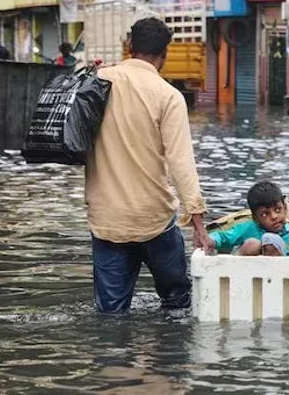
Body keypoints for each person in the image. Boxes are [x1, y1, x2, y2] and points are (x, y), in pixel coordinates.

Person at [86, 17, 209, 314]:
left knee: (110, 317)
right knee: (178, 306)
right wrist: (198, 224)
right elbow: (181, 164)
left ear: (129, 47)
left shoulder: (96, 83)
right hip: (153, 219)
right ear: (164, 55)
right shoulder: (168, 96)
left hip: (107, 220)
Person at [206, 181, 289, 256]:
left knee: (271, 241)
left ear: (285, 207)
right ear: (256, 218)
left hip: (285, 282)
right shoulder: (248, 228)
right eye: (265, 214)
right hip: (247, 281)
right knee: (253, 244)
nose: (274, 217)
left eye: (278, 210)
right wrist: (211, 240)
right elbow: (224, 237)